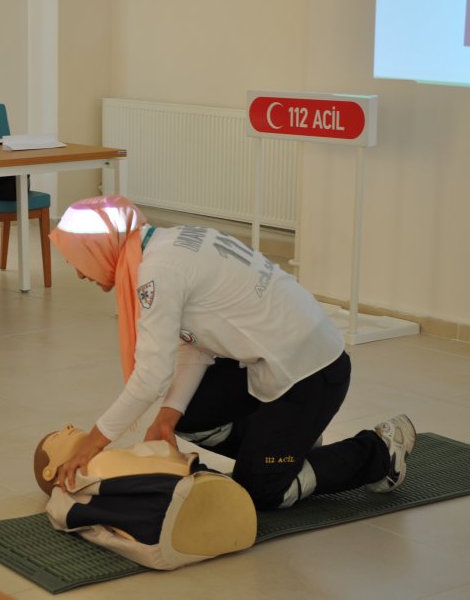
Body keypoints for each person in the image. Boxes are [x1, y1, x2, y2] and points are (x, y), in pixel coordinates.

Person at [48, 195, 417, 510]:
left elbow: (150, 377)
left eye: (76, 259)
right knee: (186, 414)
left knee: (262, 489)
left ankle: (379, 451)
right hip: (275, 361)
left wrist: (90, 445)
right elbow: (196, 343)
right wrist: (166, 418)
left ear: (99, 245)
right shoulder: (167, 243)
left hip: (312, 372)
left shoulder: (157, 273)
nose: (79, 274)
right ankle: (285, 444)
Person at [34, 424, 257, 570]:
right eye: (58, 435)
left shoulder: (101, 462)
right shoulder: (76, 482)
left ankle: (194, 499)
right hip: (163, 498)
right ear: (49, 472)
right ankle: (193, 500)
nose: (68, 427)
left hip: (175, 488)